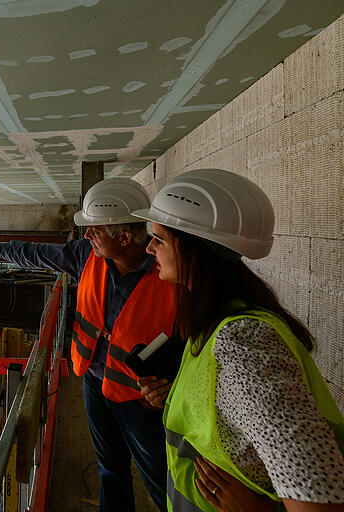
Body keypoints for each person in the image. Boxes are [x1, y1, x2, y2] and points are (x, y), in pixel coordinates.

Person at [132, 168, 344, 512]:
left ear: (194, 252)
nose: (150, 248)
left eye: (159, 238)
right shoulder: (214, 321)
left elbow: (319, 494)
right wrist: (173, 399)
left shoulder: (242, 345)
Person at [0, 178, 179, 512]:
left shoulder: (168, 273)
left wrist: (171, 385)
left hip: (140, 400)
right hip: (94, 380)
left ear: (124, 238)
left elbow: (188, 343)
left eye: (95, 230)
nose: (86, 235)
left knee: (163, 481)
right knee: (110, 468)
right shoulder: (86, 256)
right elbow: (35, 255)